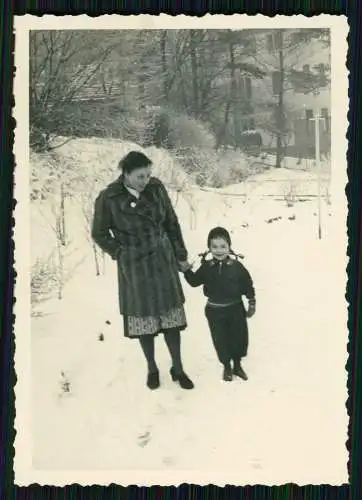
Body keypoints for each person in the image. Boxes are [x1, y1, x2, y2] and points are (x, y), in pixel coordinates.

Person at [91, 150, 194, 391]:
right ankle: (152, 367)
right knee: (144, 321)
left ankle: (178, 368)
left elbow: (171, 222)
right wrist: (120, 253)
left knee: (172, 320)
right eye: (140, 176)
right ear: (125, 174)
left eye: (148, 175)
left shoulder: (156, 188)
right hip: (135, 267)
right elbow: (99, 233)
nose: (145, 180)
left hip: (163, 260)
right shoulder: (109, 198)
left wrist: (180, 255)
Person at [182, 227, 256, 382]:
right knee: (220, 339)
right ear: (209, 248)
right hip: (214, 311)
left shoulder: (237, 267)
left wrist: (251, 302)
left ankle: (237, 365)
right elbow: (194, 282)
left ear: (229, 247)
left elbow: (247, 285)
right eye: (214, 246)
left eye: (223, 246)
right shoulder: (207, 267)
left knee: (238, 338)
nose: (219, 250)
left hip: (235, 309)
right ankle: (227, 367)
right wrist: (187, 271)